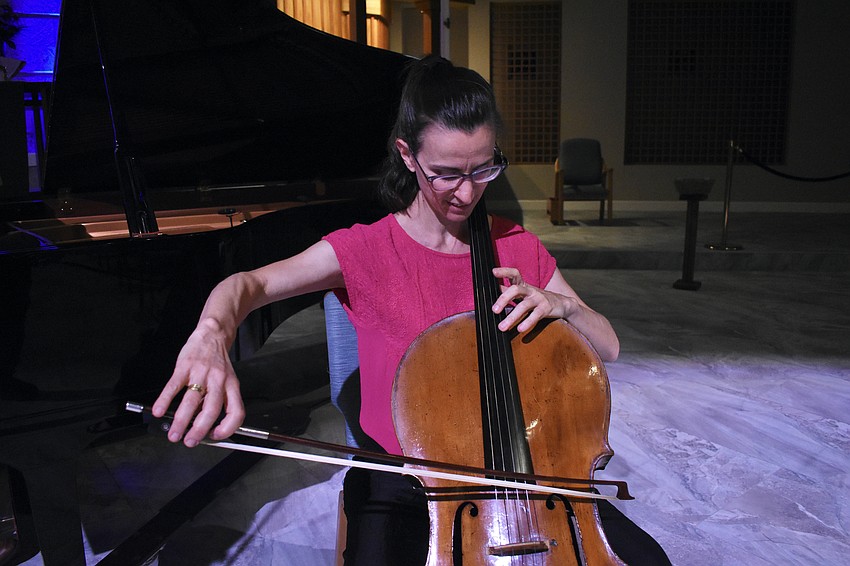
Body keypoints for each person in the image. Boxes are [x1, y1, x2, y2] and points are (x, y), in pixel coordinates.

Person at [153, 55, 668, 565]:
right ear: (407, 154)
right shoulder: (365, 250)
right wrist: (211, 334)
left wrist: (564, 306)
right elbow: (248, 283)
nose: (467, 192)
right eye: (446, 173)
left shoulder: (516, 245)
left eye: (483, 168)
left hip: (531, 472)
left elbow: (609, 347)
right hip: (405, 480)